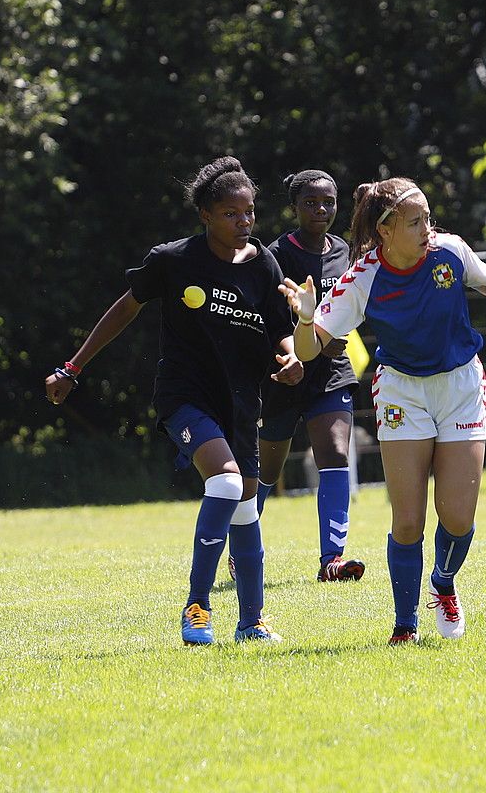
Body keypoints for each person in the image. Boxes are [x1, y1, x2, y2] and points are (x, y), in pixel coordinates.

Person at [45, 156, 299, 644]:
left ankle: (251, 623)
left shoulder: (265, 264)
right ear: (205, 214)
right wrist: (72, 367)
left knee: (246, 504)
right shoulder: (174, 259)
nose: (244, 223)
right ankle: (197, 607)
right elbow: (125, 308)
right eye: (231, 214)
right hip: (185, 396)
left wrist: (290, 360)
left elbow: (281, 334)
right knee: (225, 484)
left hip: (242, 402)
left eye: (249, 213)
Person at [280, 177, 486, 644]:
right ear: (386, 229)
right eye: (416, 222)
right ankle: (405, 625)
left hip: (459, 387)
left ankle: (443, 582)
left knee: (457, 519)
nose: (427, 230)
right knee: (408, 520)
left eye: (429, 219)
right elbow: (311, 349)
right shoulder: (363, 276)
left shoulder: (450, 251)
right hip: (401, 394)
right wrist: (306, 315)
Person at [247, 169, 366, 583]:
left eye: (329, 202)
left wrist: (338, 337)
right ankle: (242, 542)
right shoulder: (275, 255)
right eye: (311, 203)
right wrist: (290, 356)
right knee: (268, 470)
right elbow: (265, 319)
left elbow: (350, 303)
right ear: (294, 207)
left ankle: (332, 559)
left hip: (331, 370)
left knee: (334, 452)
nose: (321, 209)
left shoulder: (343, 251)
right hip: (284, 373)